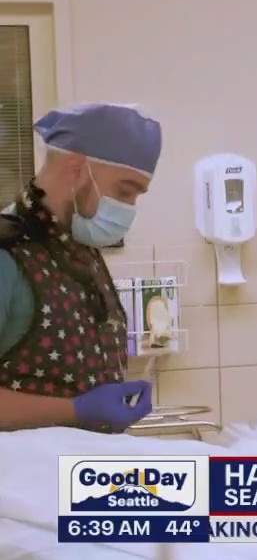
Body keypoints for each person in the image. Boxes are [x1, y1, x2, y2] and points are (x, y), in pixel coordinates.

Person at [0, 103, 162, 431]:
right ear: (76, 168)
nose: (129, 208)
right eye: (124, 191)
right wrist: (75, 410)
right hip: (25, 464)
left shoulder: (79, 251)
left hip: (78, 461)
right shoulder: (9, 253)